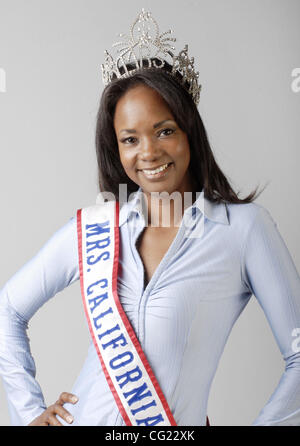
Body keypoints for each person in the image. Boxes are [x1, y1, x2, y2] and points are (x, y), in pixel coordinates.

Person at [1, 9, 300, 427]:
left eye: (164, 131)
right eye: (130, 139)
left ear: (189, 131)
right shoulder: (96, 228)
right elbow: (7, 309)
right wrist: (30, 412)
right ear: (116, 148)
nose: (149, 153)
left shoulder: (243, 229)